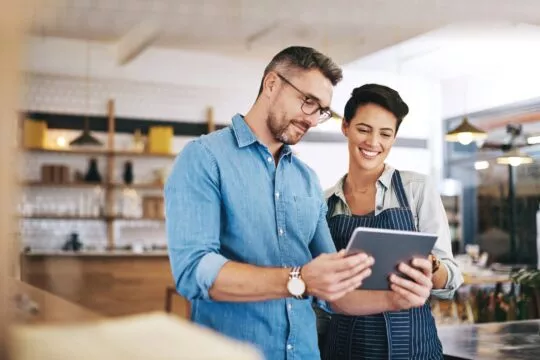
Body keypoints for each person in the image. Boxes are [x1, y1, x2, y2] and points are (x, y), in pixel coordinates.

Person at [165, 47, 433, 360]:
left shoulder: (306, 179)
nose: (311, 119)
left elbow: (336, 291)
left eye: (320, 111)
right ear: (271, 84)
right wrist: (299, 279)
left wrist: (396, 300)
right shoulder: (204, 158)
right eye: (307, 101)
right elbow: (194, 270)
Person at [320, 84, 464, 360]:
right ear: (345, 127)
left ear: (394, 137)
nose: (374, 142)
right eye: (364, 129)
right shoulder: (325, 203)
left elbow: (451, 280)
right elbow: (322, 297)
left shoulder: (416, 189)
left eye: (385, 134)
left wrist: (431, 266)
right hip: (345, 349)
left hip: (414, 348)